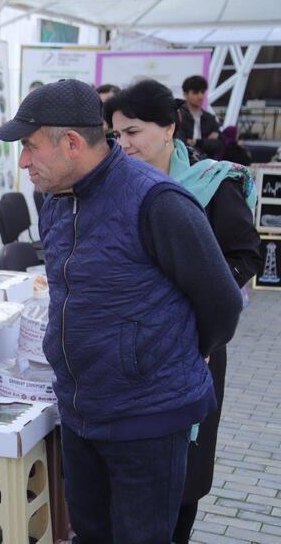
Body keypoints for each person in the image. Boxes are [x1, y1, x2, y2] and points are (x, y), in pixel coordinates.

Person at [0, 79, 243, 544]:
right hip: (81, 412)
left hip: (147, 418)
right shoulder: (54, 204)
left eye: (29, 147)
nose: (23, 161)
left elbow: (223, 303)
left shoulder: (157, 202)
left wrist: (175, 353)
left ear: (70, 143)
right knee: (90, 534)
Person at [104, 79, 262, 543]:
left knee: (184, 470)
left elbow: (247, 254)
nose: (124, 145)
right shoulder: (117, 181)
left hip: (197, 344)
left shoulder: (212, 182)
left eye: (133, 132)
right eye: (116, 136)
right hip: (133, 346)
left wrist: (194, 291)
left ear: (169, 127)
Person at [177, 75, 221, 157]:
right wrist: (206, 141)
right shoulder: (179, 116)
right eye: (195, 93)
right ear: (185, 94)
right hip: (186, 161)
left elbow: (218, 145)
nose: (200, 96)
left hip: (209, 163)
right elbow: (180, 142)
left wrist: (195, 142)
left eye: (202, 92)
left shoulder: (210, 118)